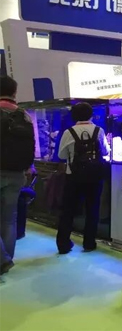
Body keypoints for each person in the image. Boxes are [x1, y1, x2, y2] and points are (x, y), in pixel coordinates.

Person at [56, 102, 110, 254]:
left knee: (68, 211)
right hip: (94, 176)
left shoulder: (69, 132)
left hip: (73, 177)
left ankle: (63, 244)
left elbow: (61, 155)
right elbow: (105, 151)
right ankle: (89, 243)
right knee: (92, 209)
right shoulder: (99, 131)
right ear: (91, 115)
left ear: (73, 116)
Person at [0, 76, 35, 276]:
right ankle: (6, 259)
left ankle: (3, 259)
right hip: (17, 173)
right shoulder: (24, 115)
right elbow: (32, 145)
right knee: (9, 219)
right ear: (14, 92)